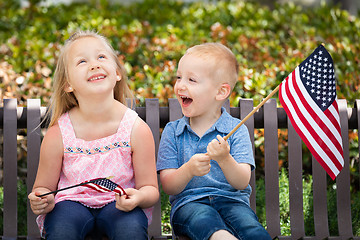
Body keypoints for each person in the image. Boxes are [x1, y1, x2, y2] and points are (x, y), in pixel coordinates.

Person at [28, 30, 159, 240]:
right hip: (70, 205)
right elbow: (43, 187)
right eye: (82, 61)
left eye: (101, 57)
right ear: (67, 84)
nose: (94, 64)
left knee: (130, 230)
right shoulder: (59, 133)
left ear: (117, 72)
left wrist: (138, 197)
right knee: (62, 230)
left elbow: (150, 189)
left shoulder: (135, 128)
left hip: (119, 206)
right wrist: (43, 198)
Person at [157, 43, 271, 240]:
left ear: (220, 92)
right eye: (179, 77)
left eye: (191, 79)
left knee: (251, 229)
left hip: (232, 202)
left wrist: (225, 158)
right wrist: (189, 169)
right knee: (205, 219)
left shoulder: (236, 131)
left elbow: (241, 181)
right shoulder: (173, 132)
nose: (180, 85)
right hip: (189, 205)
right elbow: (168, 186)